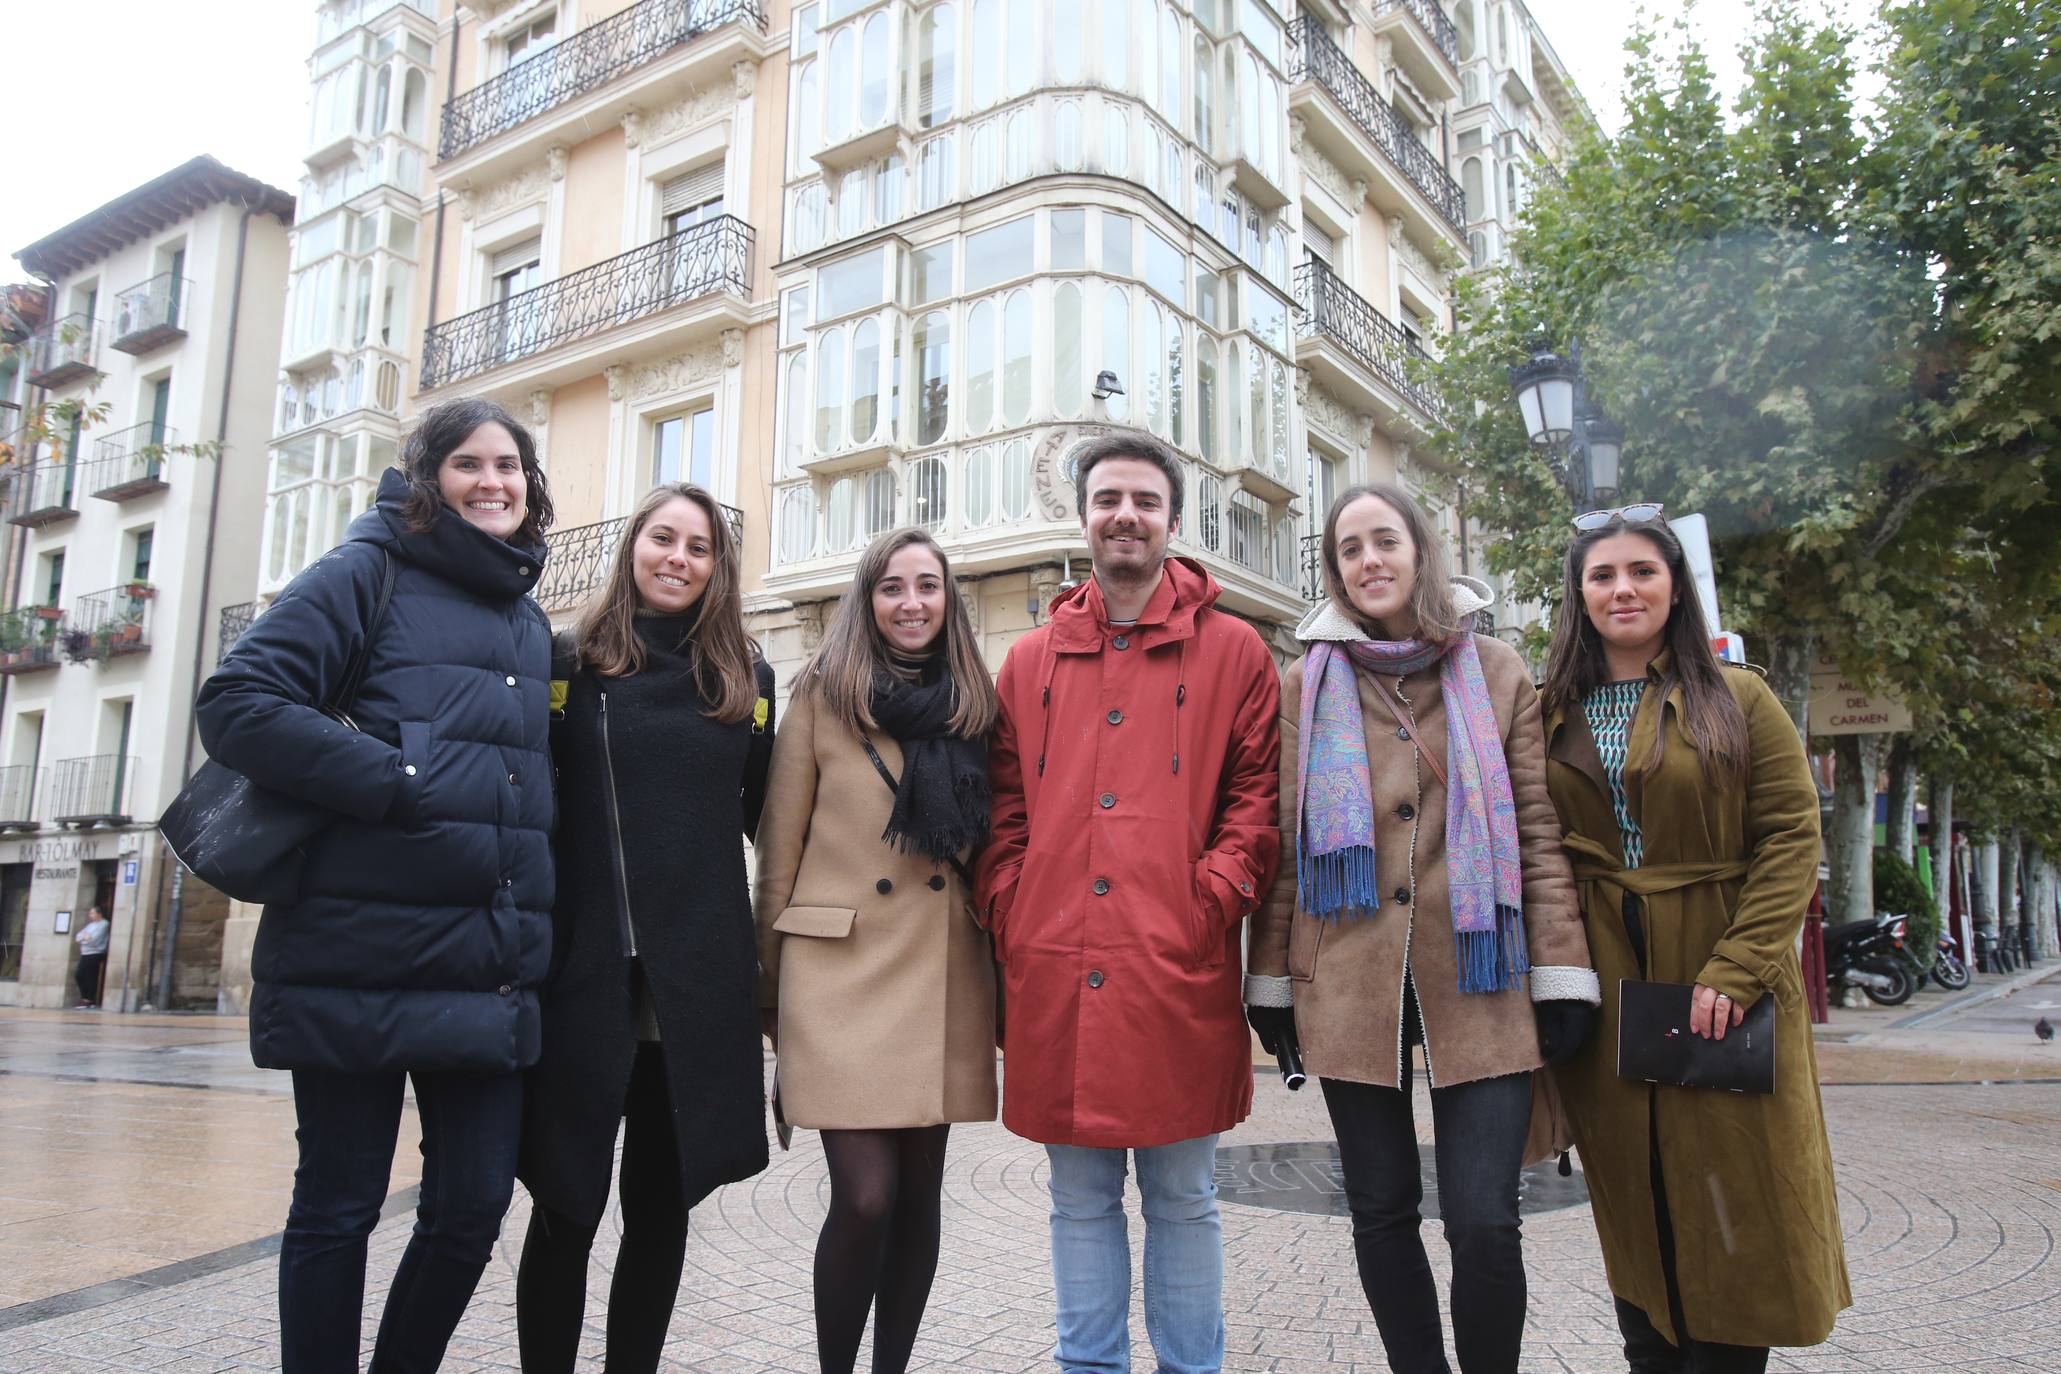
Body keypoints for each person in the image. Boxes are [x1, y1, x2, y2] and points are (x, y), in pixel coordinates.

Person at [195, 396, 556, 1374]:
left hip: (484, 964)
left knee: (474, 1206)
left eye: (510, 467)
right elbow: (236, 702)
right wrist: (393, 781)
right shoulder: (367, 572)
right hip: (355, 952)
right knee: (340, 1207)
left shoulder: (526, 619)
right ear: (427, 478)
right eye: (469, 465)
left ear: (532, 489)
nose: (493, 482)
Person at [1245, 484, 1598, 1374]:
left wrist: (1560, 971)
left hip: (1480, 969)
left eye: (1384, 542)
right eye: (1350, 549)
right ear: (1335, 569)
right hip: (1347, 975)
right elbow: (1290, 845)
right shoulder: (1306, 682)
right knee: (1381, 1209)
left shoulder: (1498, 671)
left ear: (1419, 551)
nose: (1369, 562)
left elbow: (1533, 828)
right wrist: (1273, 980)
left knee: (1484, 1220)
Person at [976, 432, 1280, 1374]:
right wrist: (1014, 903)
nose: (1125, 516)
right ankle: (1090, 1366)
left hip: (1172, 966)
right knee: (1077, 1200)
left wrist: (1207, 900)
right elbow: (1001, 811)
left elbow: (1255, 802)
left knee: (1185, 1197)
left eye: (1144, 501)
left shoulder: (1235, 653)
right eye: (1108, 499)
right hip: (1057, 966)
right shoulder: (1029, 663)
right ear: (1083, 517)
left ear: (1172, 522)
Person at [1539, 506, 1849, 1373]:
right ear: (1579, 596)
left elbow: (1792, 837)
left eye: (1641, 570)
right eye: (1601, 576)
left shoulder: (1737, 697)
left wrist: (1740, 968)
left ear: (1674, 588)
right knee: (1632, 1192)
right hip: (1605, 983)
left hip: (1719, 979)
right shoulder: (1547, 709)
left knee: (1732, 1194)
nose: (1621, 589)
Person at [516, 482, 775, 1374]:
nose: (678, 558)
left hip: (691, 992)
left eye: (699, 547)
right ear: (633, 547)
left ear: (718, 567)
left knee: (658, 1213)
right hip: (580, 979)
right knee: (564, 1208)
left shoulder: (746, 678)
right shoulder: (567, 666)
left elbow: (771, 818)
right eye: (663, 538)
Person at [754, 527, 999, 1374]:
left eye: (927, 587)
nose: (911, 604)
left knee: (918, 1201)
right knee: (865, 1198)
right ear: (868, 599)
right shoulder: (823, 694)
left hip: (939, 973)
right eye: (892, 588)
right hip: (836, 976)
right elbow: (777, 853)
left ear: (947, 601)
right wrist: (770, 999)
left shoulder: (976, 703)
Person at [72, 906, 109, 1008]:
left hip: (95, 953)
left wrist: (85, 938)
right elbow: (78, 936)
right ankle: (86, 998)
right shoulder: (91, 925)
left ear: (99, 914)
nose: (90, 915)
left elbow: (94, 940)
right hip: (85, 953)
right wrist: (85, 938)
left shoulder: (104, 924)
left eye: (92, 913)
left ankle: (89, 999)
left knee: (89, 976)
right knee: (79, 975)